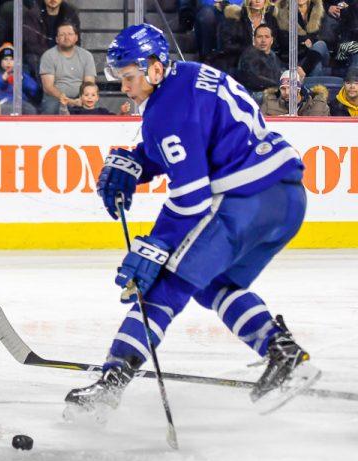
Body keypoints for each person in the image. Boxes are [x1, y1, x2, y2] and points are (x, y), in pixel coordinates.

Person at [64, 24, 321, 422]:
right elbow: (193, 140)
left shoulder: (165, 111)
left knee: (165, 284)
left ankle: (111, 383)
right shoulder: (187, 74)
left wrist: (156, 244)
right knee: (217, 285)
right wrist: (140, 160)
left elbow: (192, 198)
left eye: (128, 76)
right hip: (286, 199)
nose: (124, 86)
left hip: (245, 199)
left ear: (153, 67)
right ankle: (284, 355)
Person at [38, 21, 96, 114]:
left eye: (70, 34)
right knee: (50, 108)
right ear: (57, 39)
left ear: (76, 37)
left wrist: (83, 98)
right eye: (62, 35)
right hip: (55, 98)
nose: (66, 37)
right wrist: (68, 101)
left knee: (93, 108)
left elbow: (89, 83)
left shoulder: (86, 56)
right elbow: (48, 87)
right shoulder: (48, 56)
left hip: (81, 97)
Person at [0, 42, 40, 114]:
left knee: (31, 110)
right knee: (8, 110)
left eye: (11, 59)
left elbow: (34, 90)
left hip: (21, 103)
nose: (8, 62)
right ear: (0, 61)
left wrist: (23, 79)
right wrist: (1, 79)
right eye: (5, 59)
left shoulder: (22, 71)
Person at [236, 24, 284, 98]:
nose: (263, 40)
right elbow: (254, 79)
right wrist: (278, 84)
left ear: (272, 40)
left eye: (267, 37)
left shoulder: (272, 55)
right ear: (254, 39)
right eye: (259, 37)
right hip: (254, 95)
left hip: (273, 92)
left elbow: (280, 72)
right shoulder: (249, 55)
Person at [260, 69, 330, 115]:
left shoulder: (318, 104)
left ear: (299, 89)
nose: (287, 92)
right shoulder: (268, 103)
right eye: (283, 88)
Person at [60, 81, 130, 115]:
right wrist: (63, 106)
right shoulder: (76, 111)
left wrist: (122, 112)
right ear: (81, 97)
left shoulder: (103, 112)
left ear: (97, 97)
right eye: (86, 95)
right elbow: (65, 120)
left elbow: (116, 122)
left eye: (93, 95)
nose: (90, 97)